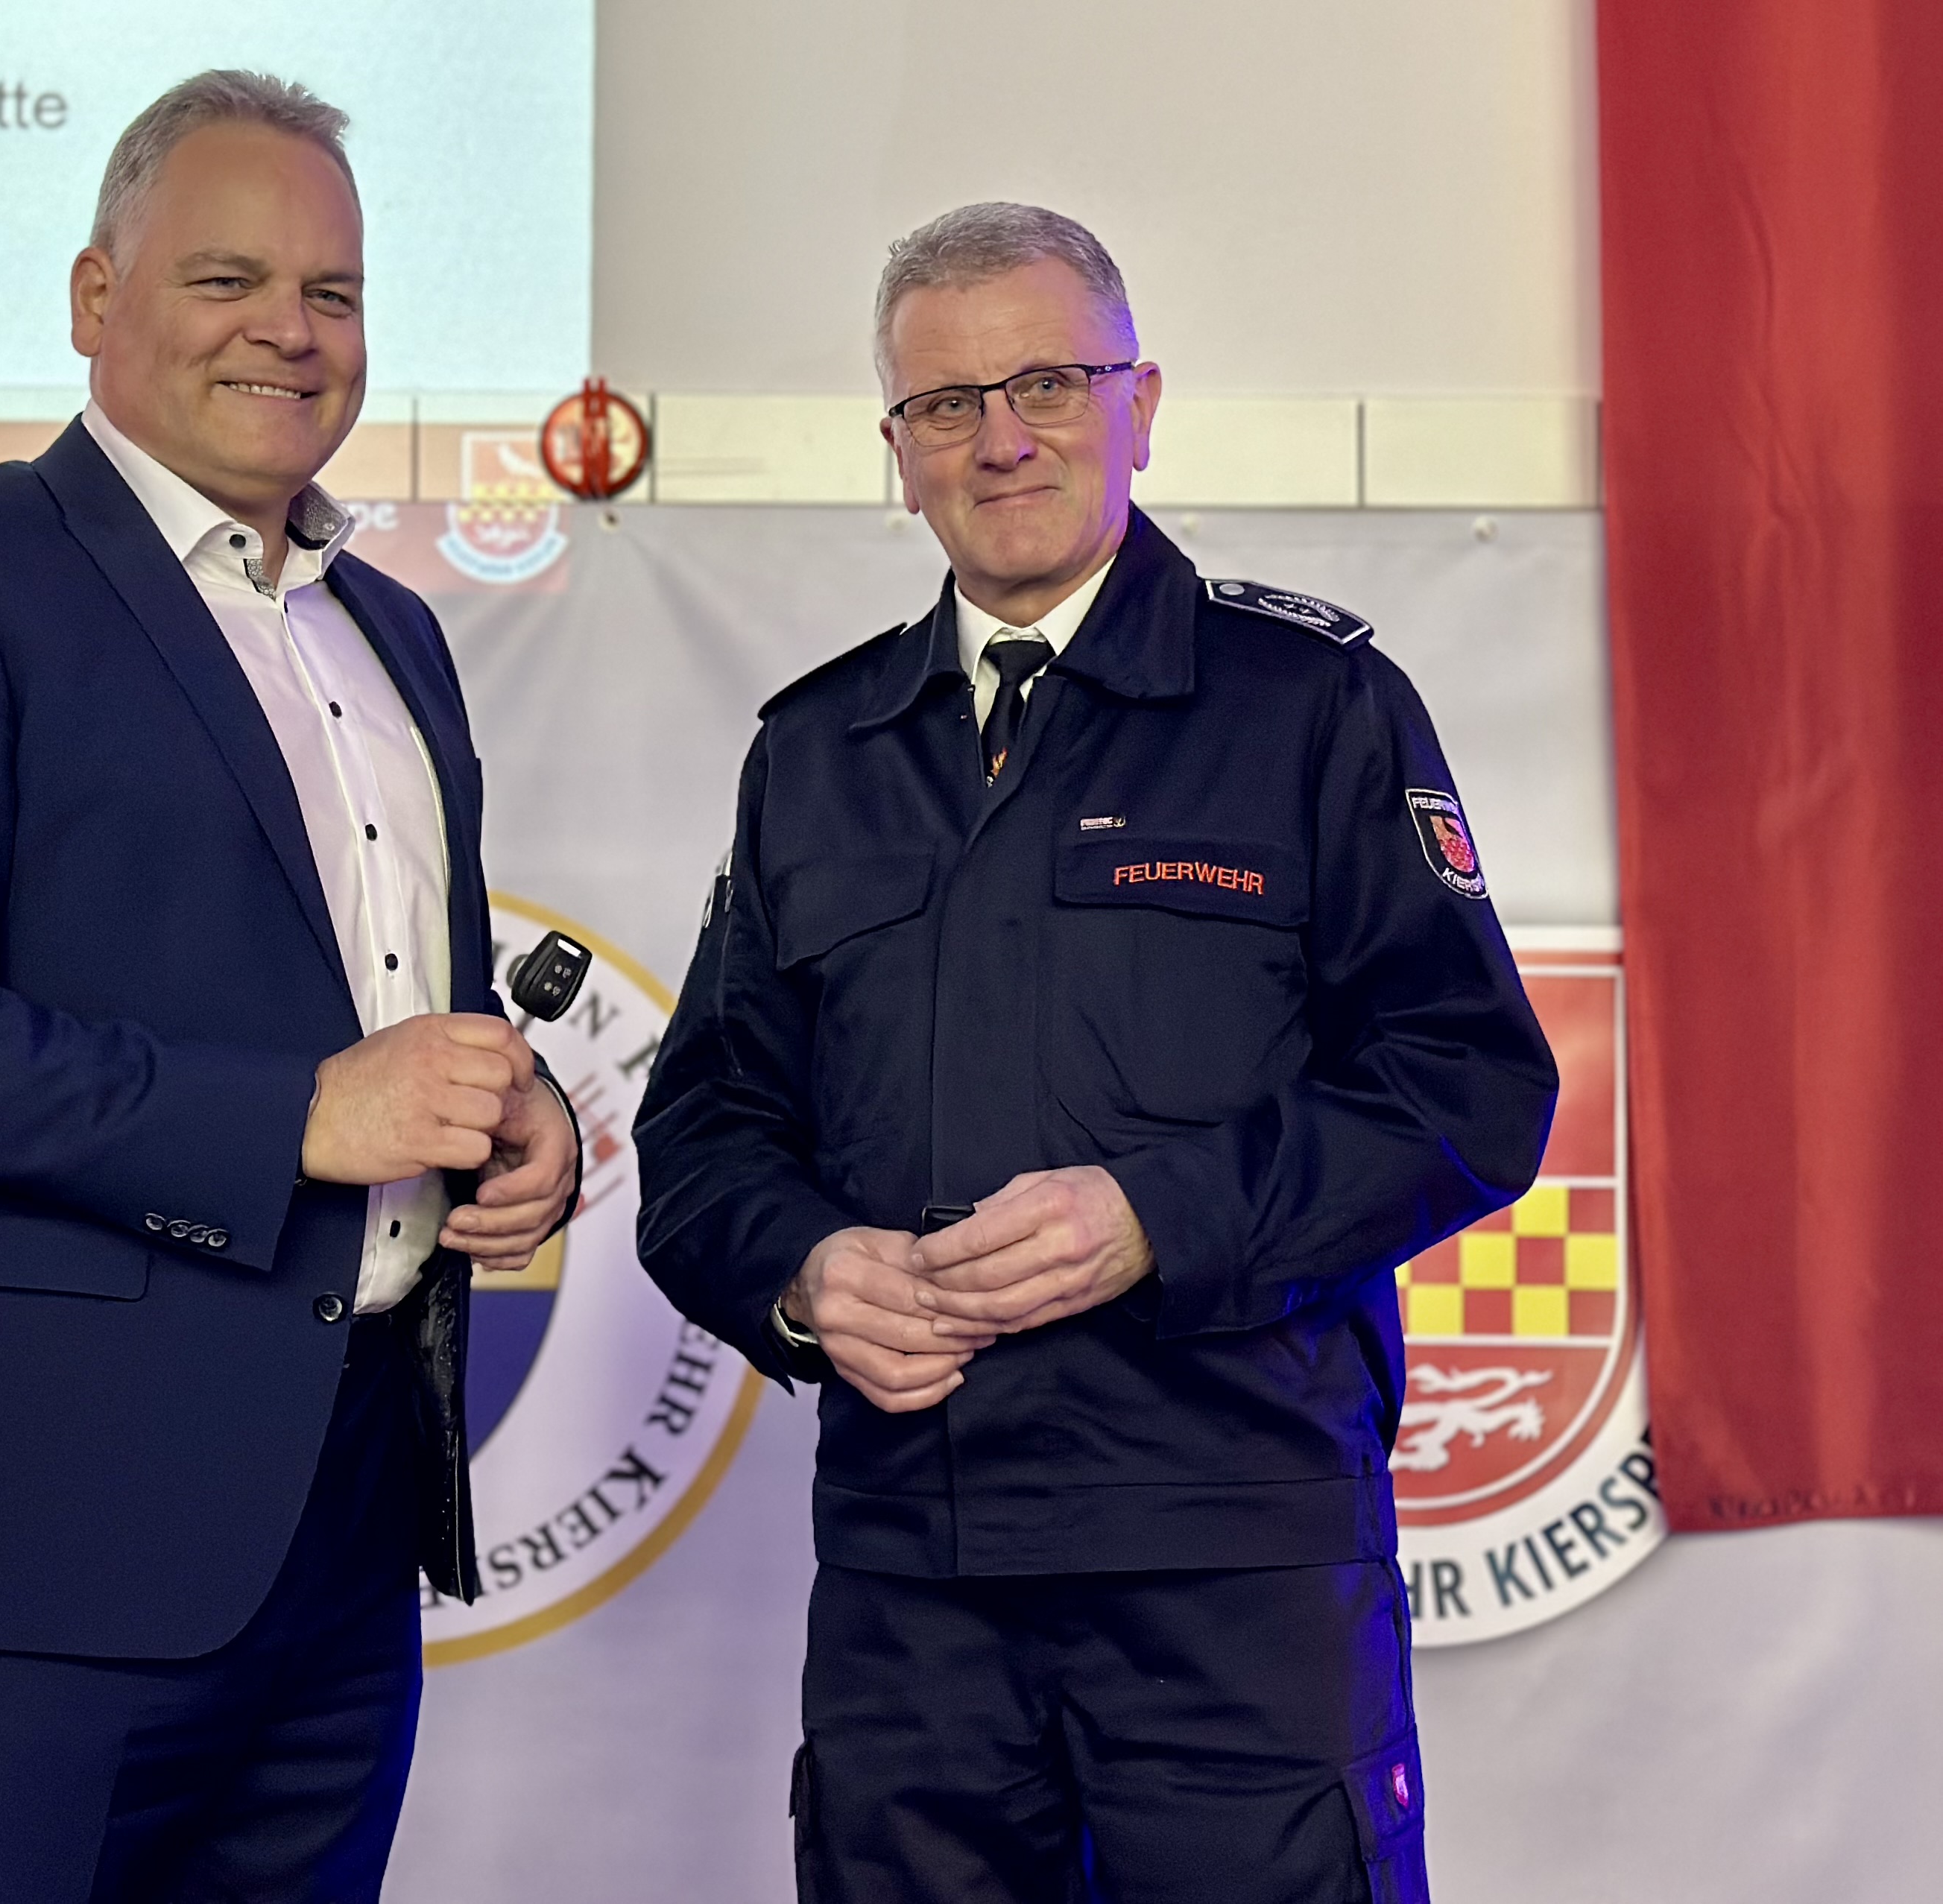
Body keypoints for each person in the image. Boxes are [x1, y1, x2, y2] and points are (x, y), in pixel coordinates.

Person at [633, 202, 1556, 1903]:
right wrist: (802, 1270)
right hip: (913, 1586)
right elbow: (701, 1139)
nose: (1000, 439)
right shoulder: (816, 751)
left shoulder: (1311, 707)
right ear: (894, 453)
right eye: (944, 405)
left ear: (1142, 402)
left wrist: (1160, 1217)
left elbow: (1468, 1089)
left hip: (1233, 1568)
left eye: (1048, 382)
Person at [0, 70, 578, 1903]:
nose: (290, 328)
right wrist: (300, 1116)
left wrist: (513, 1132)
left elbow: (375, 1017)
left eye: (333, 293)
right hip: (36, 1536)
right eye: (225, 278)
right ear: (93, 299)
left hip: (345, 1520)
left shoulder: (398, 636)